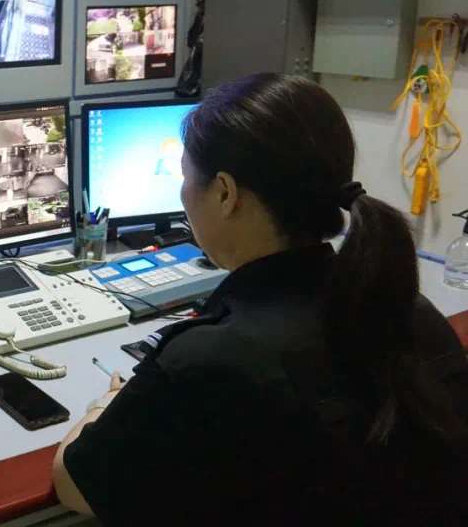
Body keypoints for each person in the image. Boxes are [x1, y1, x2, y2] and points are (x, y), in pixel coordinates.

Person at [53, 74, 468, 524]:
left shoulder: (206, 360)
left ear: (225, 193)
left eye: (186, 178)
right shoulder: (411, 312)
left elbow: (74, 485)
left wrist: (108, 404)